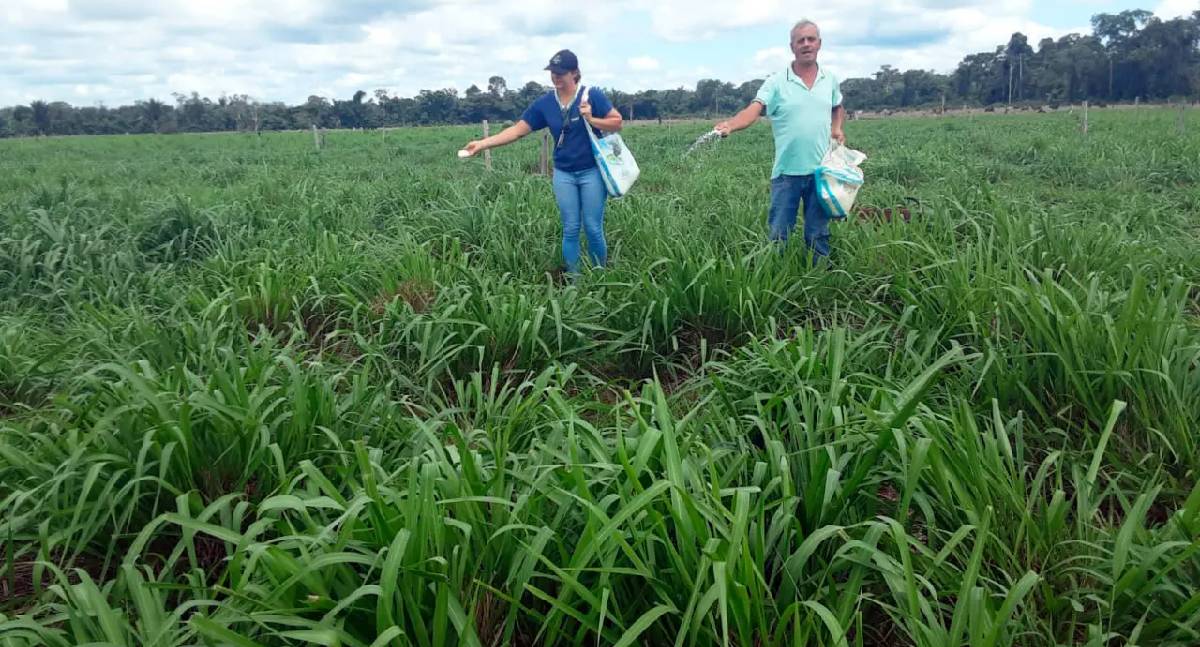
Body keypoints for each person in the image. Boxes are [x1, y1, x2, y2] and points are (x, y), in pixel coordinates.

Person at [463, 49, 623, 275]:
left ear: (574, 72)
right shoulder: (545, 103)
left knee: (593, 228)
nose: (556, 77)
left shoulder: (591, 95)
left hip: (592, 172)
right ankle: (575, 283)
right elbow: (518, 130)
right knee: (570, 229)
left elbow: (617, 123)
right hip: (564, 174)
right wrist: (482, 143)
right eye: (552, 72)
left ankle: (599, 278)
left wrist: (591, 118)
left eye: (561, 72)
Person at [715, 20, 846, 260]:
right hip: (786, 174)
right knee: (778, 234)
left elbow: (837, 106)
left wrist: (837, 128)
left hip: (821, 172)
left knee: (818, 233)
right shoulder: (776, 82)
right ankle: (776, 276)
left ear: (819, 44)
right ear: (792, 46)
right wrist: (731, 125)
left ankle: (820, 280)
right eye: (801, 40)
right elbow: (754, 109)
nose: (806, 44)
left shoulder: (830, 79)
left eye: (811, 39)